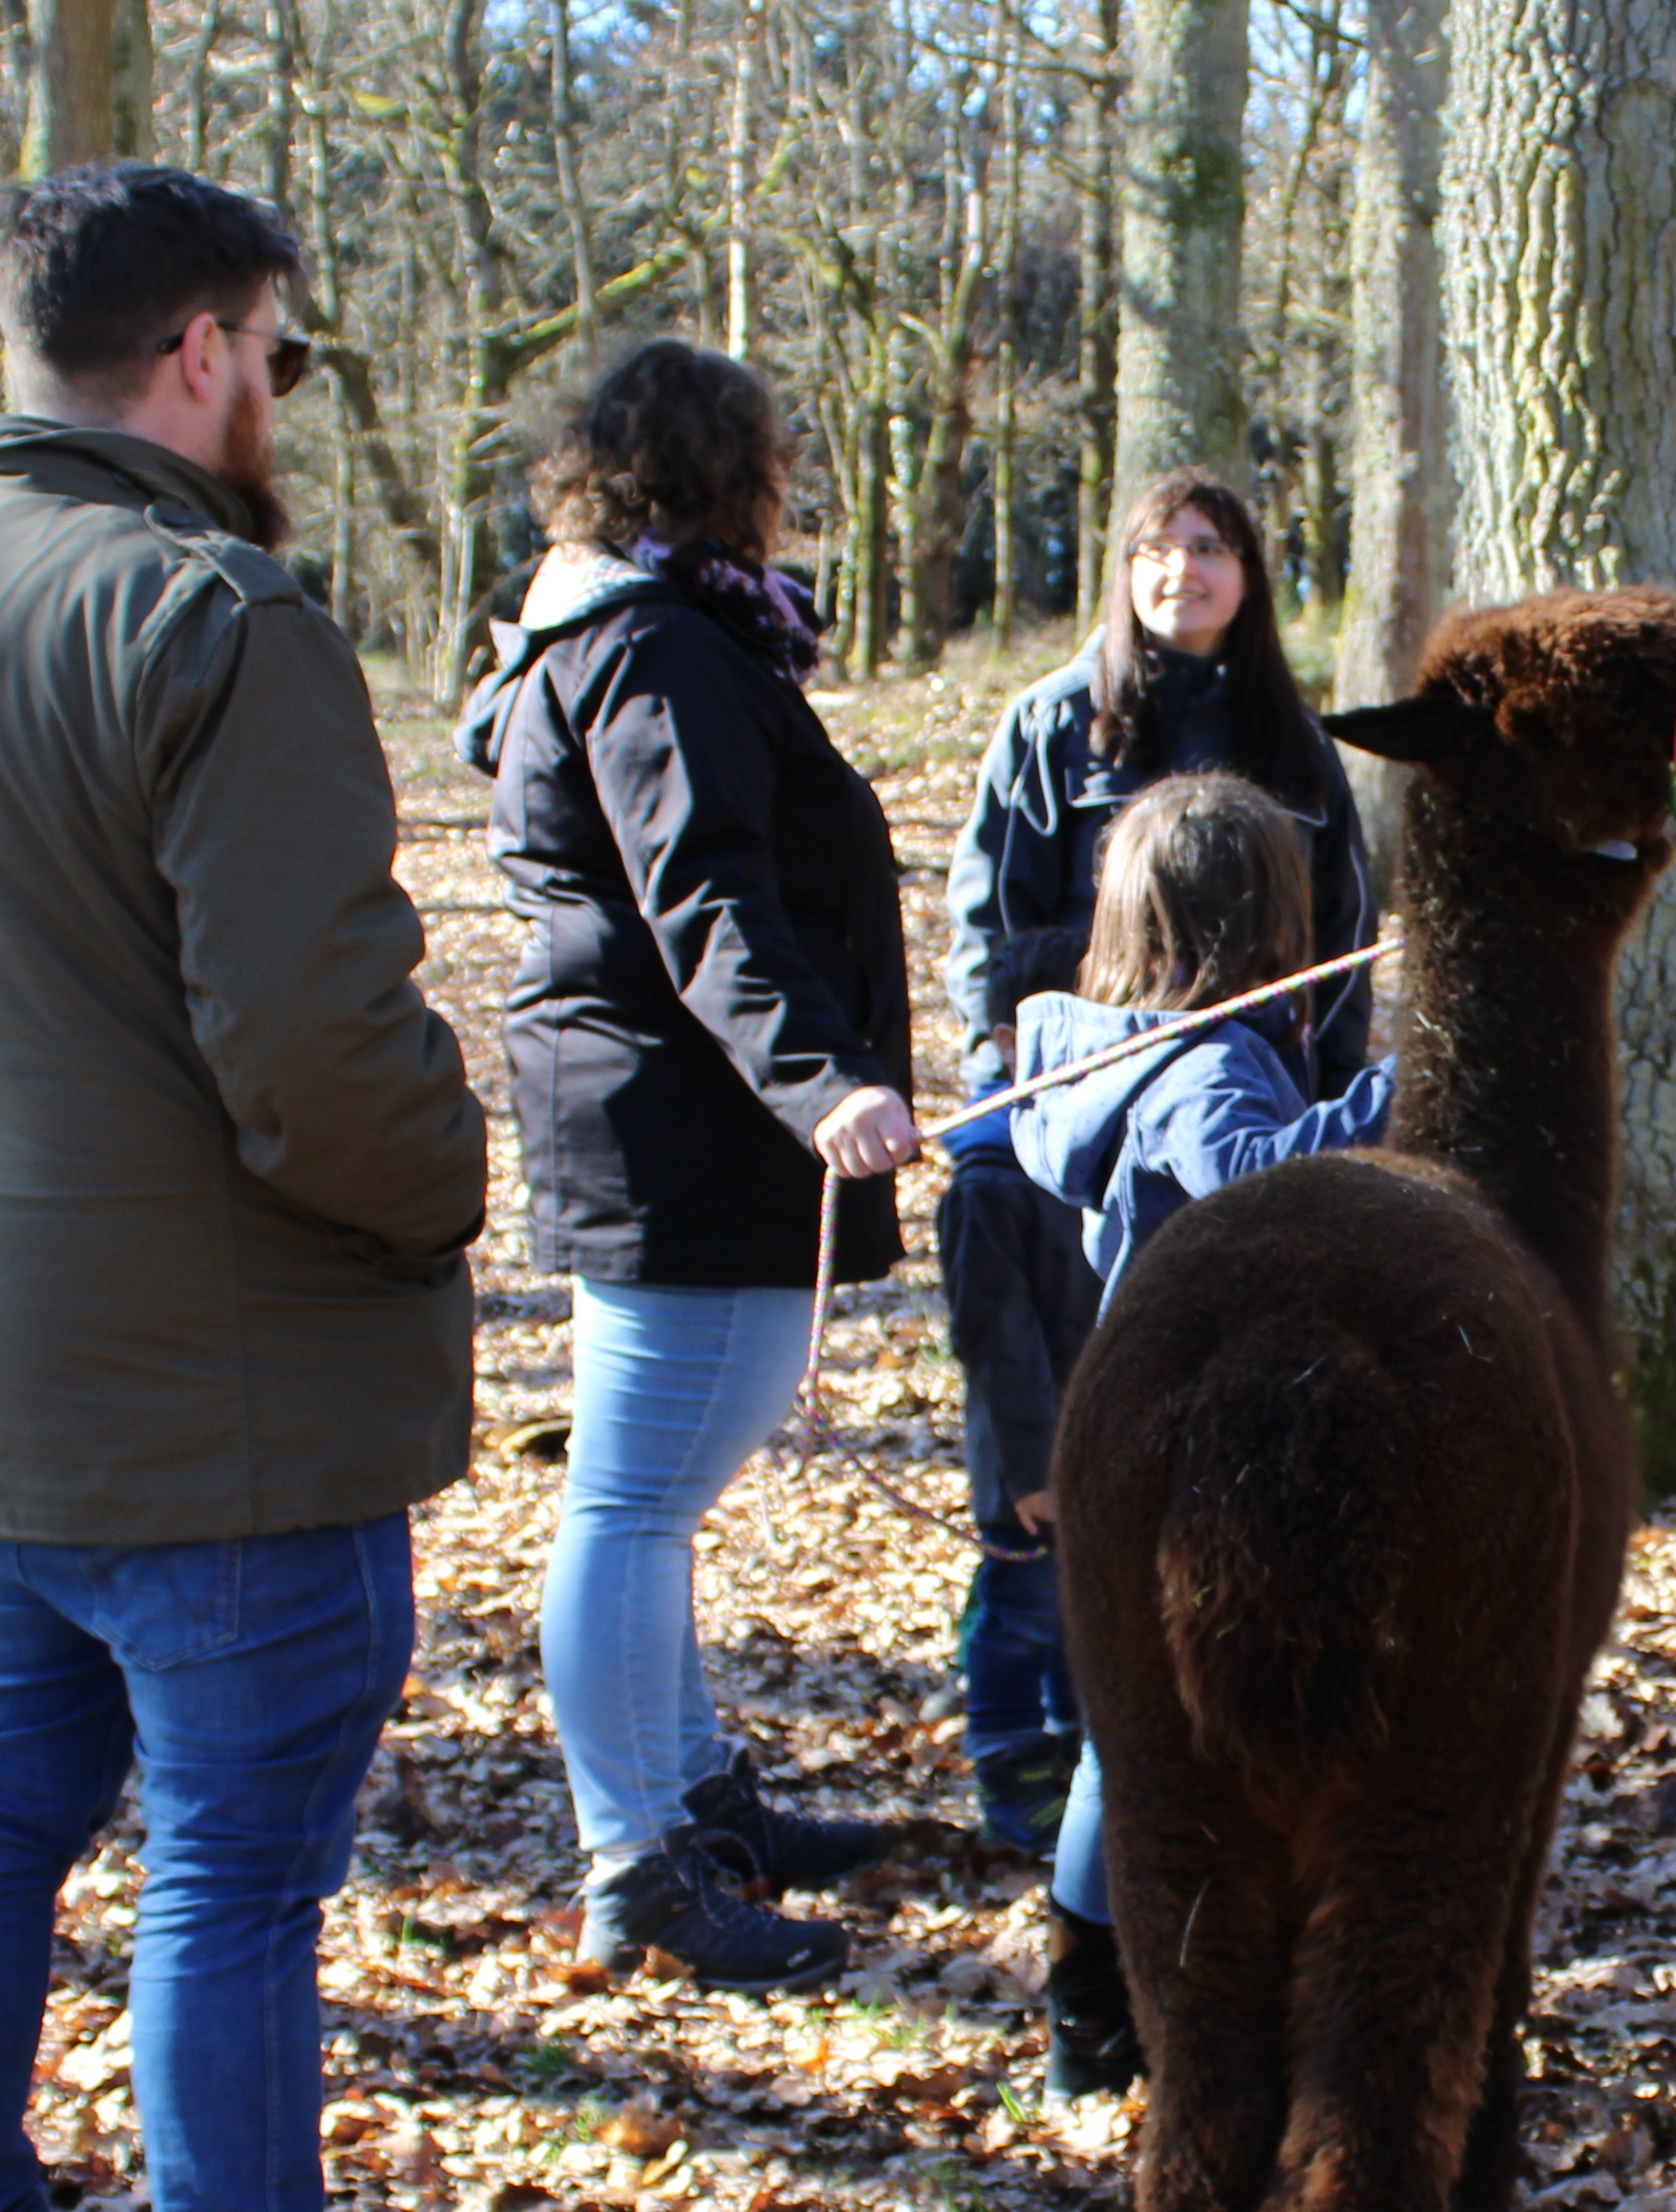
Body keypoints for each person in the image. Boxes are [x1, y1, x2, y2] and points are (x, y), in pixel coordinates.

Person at [0, 159, 571, 2212]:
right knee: (230, 1872)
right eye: (286, 352)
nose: (285, 397)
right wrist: (450, 1182)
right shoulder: (211, 618)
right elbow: (319, 1047)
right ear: (205, 348)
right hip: (232, 1399)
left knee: (1, 1801)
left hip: (6, 1383)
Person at [467, 343, 926, 1992]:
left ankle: (693, 1797)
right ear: (727, 473)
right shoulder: (648, 645)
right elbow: (705, 894)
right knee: (632, 1505)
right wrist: (820, 1087)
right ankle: (636, 1865)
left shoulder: (648, 629)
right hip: (684, 1126)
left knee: (650, 1502)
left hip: (669, 1116)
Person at [936, 473, 1372, 1863]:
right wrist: (1009, 1093)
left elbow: (1342, 933)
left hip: (1222, 1141)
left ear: (1247, 571)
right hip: (1075, 1116)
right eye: (1153, 550)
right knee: (1042, 1451)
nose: (1180, 570)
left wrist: (1332, 1100)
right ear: (1120, 573)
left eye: (1208, 547)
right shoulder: (1052, 726)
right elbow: (995, 928)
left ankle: (1142, 1733)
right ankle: (1025, 1743)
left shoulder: (1295, 749)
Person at [997, 772, 1398, 2096]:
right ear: (1264, 925)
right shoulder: (1209, 1062)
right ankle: (1098, 2020)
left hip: (1130, 1420)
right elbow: (1264, 1186)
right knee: (1142, 1743)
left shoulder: (1091, 1041)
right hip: (1185, 1443)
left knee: (1136, 1735)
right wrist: (1404, 1089)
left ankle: (1099, 2007)